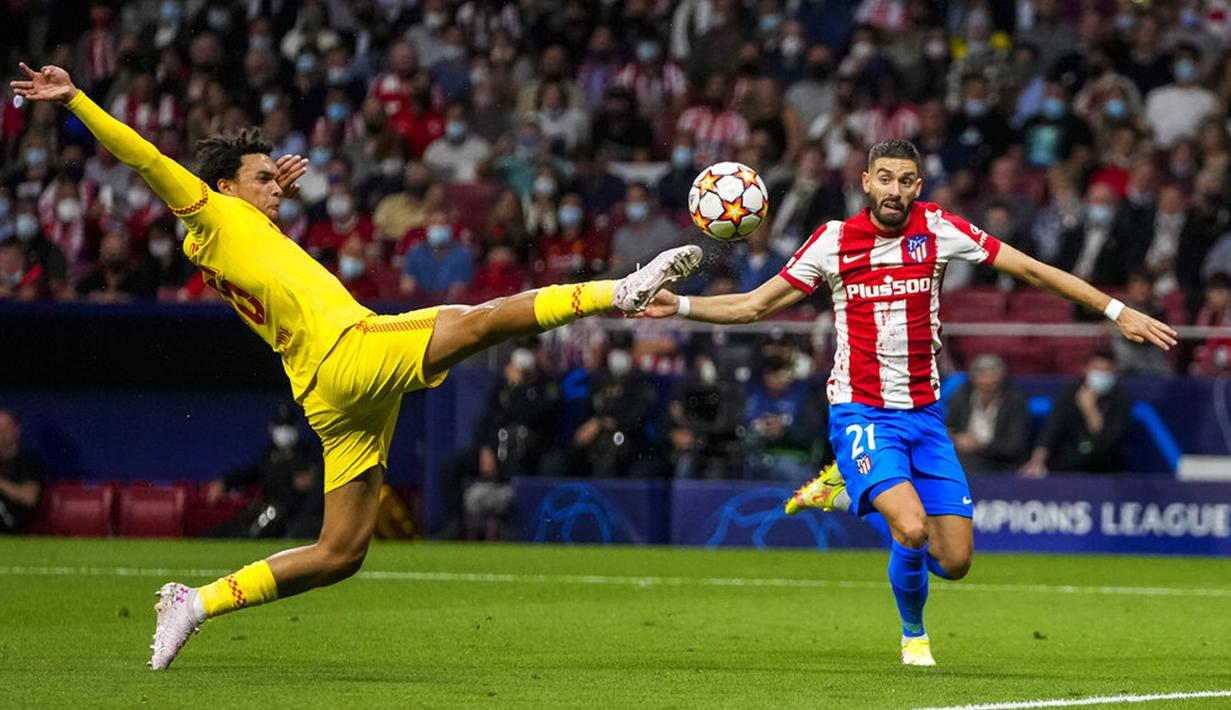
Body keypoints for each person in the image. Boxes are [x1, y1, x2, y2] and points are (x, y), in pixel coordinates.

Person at [10, 61, 702, 670]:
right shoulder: (210, 213)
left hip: (327, 390)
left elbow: (253, 232)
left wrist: (264, 193)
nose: (277, 186)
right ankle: (620, 292)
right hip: (349, 351)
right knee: (480, 320)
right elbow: (145, 158)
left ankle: (195, 603)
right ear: (222, 186)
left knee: (340, 553)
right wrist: (76, 100)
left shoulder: (234, 228)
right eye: (261, 179)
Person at [642, 138, 1175, 666]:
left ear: (917, 186)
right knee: (912, 527)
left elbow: (1032, 269)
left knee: (955, 561)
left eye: (904, 180)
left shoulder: (939, 229)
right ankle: (914, 636)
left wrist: (1116, 311)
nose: (894, 190)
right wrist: (684, 305)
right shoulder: (832, 241)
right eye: (884, 179)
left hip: (926, 418)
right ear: (866, 182)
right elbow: (754, 306)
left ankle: (845, 492)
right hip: (862, 412)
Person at [204, 403, 324, 539]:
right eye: (280, 425)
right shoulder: (269, 456)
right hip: (270, 510)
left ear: (297, 427)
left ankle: (250, 539)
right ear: (272, 427)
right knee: (244, 523)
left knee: (282, 519)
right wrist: (225, 482)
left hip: (297, 516)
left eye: (289, 425)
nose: (285, 430)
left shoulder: (309, 457)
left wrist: (313, 481)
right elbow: (249, 473)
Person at [1019, 349, 1134, 475]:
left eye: (1106, 371)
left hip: (1106, 468)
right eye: (1097, 369)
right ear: (1087, 369)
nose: (1101, 375)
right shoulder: (1069, 392)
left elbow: (1109, 442)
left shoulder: (1122, 400)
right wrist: (1037, 460)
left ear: (1115, 374)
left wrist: (1090, 410)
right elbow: (1052, 427)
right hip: (1068, 463)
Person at [944, 354, 1031, 473]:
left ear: (1001, 378)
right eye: (982, 376)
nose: (988, 381)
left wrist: (980, 445)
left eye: (993, 376)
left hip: (1001, 462)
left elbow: (1014, 445)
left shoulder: (1015, 401)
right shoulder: (960, 397)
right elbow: (948, 430)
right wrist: (957, 438)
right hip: (964, 458)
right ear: (973, 379)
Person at [0, 409, 45, 534]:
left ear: (16, 430)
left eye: (5, 429)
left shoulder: (28, 461)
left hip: (14, 527)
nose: (1, 434)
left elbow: (29, 498)